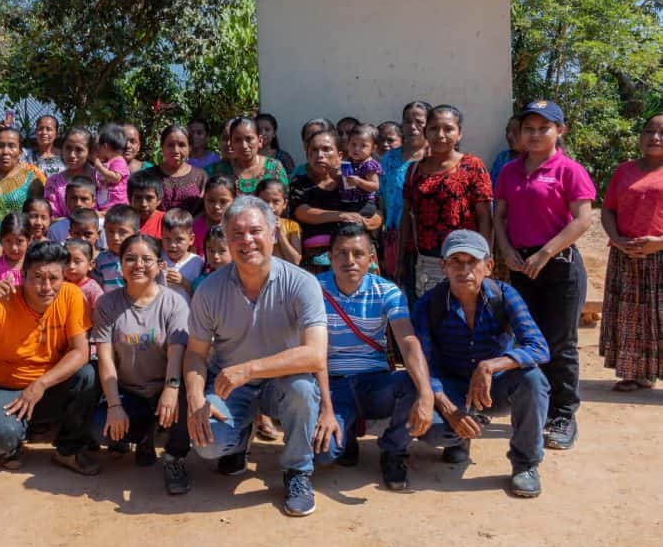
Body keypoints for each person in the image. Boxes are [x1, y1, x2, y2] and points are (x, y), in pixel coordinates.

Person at [184, 196, 326, 517]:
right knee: (206, 445)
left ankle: (298, 472)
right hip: (230, 387)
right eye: (237, 233)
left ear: (274, 233)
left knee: (303, 390)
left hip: (282, 384)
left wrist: (249, 369)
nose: (246, 240)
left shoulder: (302, 283)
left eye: (255, 231)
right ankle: (238, 437)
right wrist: (195, 399)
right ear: (227, 239)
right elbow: (195, 355)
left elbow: (316, 355)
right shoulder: (209, 289)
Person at [413, 230, 551, 498]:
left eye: (472, 262)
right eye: (456, 261)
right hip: (451, 388)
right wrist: (450, 409)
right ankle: (459, 437)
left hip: (493, 390)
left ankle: (525, 464)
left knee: (534, 380)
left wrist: (491, 366)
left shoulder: (505, 296)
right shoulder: (428, 305)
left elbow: (539, 347)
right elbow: (422, 365)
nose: (464, 270)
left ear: (488, 266)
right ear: (443, 267)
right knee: (434, 431)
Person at [494, 100, 594, 451]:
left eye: (543, 128)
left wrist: (545, 253)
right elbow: (499, 215)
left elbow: (583, 219)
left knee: (561, 343)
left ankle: (563, 414)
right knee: (528, 339)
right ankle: (535, 405)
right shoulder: (509, 171)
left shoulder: (569, 170)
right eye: (528, 129)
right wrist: (506, 251)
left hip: (559, 265)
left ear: (559, 131)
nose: (535, 135)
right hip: (522, 265)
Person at [0, 241, 99, 474]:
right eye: (37, 277)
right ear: (23, 275)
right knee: (2, 435)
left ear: (64, 277)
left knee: (88, 374)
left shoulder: (71, 295)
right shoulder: (4, 302)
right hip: (2, 388)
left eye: (54, 278)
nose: (46, 287)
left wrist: (41, 383)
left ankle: (67, 450)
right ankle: (10, 445)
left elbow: (80, 352)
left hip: (45, 387)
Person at [312, 224, 433, 490]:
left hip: (374, 384)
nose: (350, 261)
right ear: (330, 257)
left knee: (413, 384)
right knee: (323, 454)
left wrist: (426, 392)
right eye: (341, 254)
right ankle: (347, 436)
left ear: (371, 258)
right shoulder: (313, 290)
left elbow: (408, 341)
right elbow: (313, 353)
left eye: (358, 253)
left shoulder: (387, 291)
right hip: (331, 385)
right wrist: (326, 408)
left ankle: (393, 450)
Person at [90, 234, 192, 494]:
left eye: (147, 259)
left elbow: (177, 354)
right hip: (129, 390)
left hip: (165, 386)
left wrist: (171, 389)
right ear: (120, 265)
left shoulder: (174, 303)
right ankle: (144, 435)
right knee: (100, 428)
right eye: (130, 259)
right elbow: (105, 359)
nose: (138, 265)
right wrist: (114, 405)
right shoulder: (107, 304)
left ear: (159, 265)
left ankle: (174, 457)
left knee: (186, 397)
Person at [399, 105, 493, 298]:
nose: (441, 135)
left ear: (459, 134)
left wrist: (484, 258)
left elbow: (485, 218)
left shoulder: (472, 166)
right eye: (434, 128)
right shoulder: (414, 171)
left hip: (464, 260)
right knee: (428, 316)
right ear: (426, 132)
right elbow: (407, 217)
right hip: (425, 260)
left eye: (448, 129)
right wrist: (400, 260)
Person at [600, 114, 663, 391]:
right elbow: (608, 209)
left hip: (660, 253)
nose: (655, 138)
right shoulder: (623, 171)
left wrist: (659, 243)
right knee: (630, 317)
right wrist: (616, 239)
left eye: (662, 133)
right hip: (625, 253)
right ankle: (635, 373)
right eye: (649, 131)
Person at [291, 130, 382, 271]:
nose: (319, 155)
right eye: (314, 150)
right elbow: (302, 212)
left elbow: (375, 209)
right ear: (308, 155)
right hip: (318, 258)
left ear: (340, 155)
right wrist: (341, 215)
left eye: (326, 149)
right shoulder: (301, 182)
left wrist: (371, 221)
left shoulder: (354, 179)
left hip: (358, 256)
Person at [379, 101, 430, 278]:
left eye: (419, 122)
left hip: (425, 236)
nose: (412, 126)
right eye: (407, 121)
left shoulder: (434, 157)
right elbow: (382, 196)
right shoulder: (389, 157)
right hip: (395, 235)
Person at [209, 117, 289, 195]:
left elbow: (284, 202)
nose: (244, 145)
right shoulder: (218, 170)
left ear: (260, 141)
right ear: (232, 143)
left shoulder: (275, 168)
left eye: (249, 139)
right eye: (237, 140)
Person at [146, 125, 207, 214]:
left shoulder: (200, 176)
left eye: (182, 145)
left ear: (189, 147)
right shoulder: (149, 175)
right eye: (170, 145)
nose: (176, 150)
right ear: (162, 146)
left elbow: (204, 211)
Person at [44, 127, 94, 218]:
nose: (72, 155)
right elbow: (51, 217)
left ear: (89, 152)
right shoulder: (53, 182)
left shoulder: (101, 178)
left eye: (79, 149)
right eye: (68, 148)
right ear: (62, 149)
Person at [95, 204, 140, 294]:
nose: (115, 237)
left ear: (136, 235)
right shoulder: (101, 260)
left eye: (122, 232)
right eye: (110, 231)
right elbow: (97, 287)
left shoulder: (140, 259)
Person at [255, 178, 301, 265]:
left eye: (276, 201)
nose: (270, 206)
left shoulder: (292, 226)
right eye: (264, 201)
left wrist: (280, 233)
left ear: (284, 204)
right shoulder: (252, 226)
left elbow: (295, 261)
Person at [160, 209, 203, 300]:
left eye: (179, 239)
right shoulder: (159, 257)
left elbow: (199, 294)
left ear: (191, 239)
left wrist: (183, 281)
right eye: (167, 239)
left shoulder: (196, 262)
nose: (172, 245)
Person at [340, 123, 383, 207]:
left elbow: (375, 186)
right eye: (353, 144)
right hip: (348, 200)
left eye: (363, 146)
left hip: (364, 203)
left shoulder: (368, 165)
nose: (356, 149)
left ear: (373, 148)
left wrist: (359, 182)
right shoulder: (348, 161)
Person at [193, 175, 236, 255]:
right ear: (204, 199)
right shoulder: (195, 228)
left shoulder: (238, 228)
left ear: (234, 201)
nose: (216, 206)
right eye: (211, 201)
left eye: (223, 202)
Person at [47, 175, 98, 243]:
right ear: (66, 200)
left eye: (84, 199)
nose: (78, 204)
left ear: (93, 202)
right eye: (73, 198)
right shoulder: (55, 230)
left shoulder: (103, 226)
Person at [92, 123, 131, 210]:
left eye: (99, 148)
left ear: (105, 146)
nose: (98, 151)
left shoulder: (119, 161)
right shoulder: (107, 162)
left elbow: (116, 178)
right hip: (105, 205)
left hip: (117, 206)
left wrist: (99, 168)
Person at [63, 238, 103, 315]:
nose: (71, 266)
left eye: (77, 262)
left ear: (90, 265)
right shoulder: (60, 284)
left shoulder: (92, 289)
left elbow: (100, 313)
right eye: (67, 261)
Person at [0, 212, 30, 287]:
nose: (14, 248)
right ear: (1, 240)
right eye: (8, 241)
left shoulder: (33, 265)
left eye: (20, 241)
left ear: (29, 240)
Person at [128, 171, 165, 240]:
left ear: (159, 200)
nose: (143, 204)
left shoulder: (165, 222)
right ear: (130, 199)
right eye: (138, 198)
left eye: (149, 198)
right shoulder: (122, 221)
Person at [490, 114, 523, 189]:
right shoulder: (502, 157)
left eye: (515, 132)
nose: (509, 135)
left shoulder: (533, 161)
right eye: (507, 131)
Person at [193, 226, 232, 291]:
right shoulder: (202, 281)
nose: (215, 256)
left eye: (222, 251)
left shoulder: (240, 278)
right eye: (211, 251)